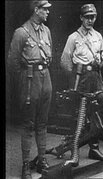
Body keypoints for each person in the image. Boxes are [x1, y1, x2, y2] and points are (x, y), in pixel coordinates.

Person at [60, 4, 103, 167]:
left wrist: (98, 63)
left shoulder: (98, 36)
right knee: (79, 115)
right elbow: (65, 62)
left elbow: (102, 59)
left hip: (96, 77)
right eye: (87, 17)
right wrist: (74, 79)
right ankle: (74, 151)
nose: (90, 20)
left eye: (93, 17)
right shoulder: (73, 37)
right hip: (81, 79)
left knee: (97, 112)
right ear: (81, 18)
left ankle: (93, 148)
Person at [7, 0, 52, 178]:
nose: (48, 12)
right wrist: (24, 80)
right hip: (29, 80)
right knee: (28, 124)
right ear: (36, 10)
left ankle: (42, 160)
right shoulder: (21, 33)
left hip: (45, 78)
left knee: (43, 122)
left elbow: (50, 56)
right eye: (45, 9)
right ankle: (26, 165)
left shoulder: (47, 31)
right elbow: (12, 64)